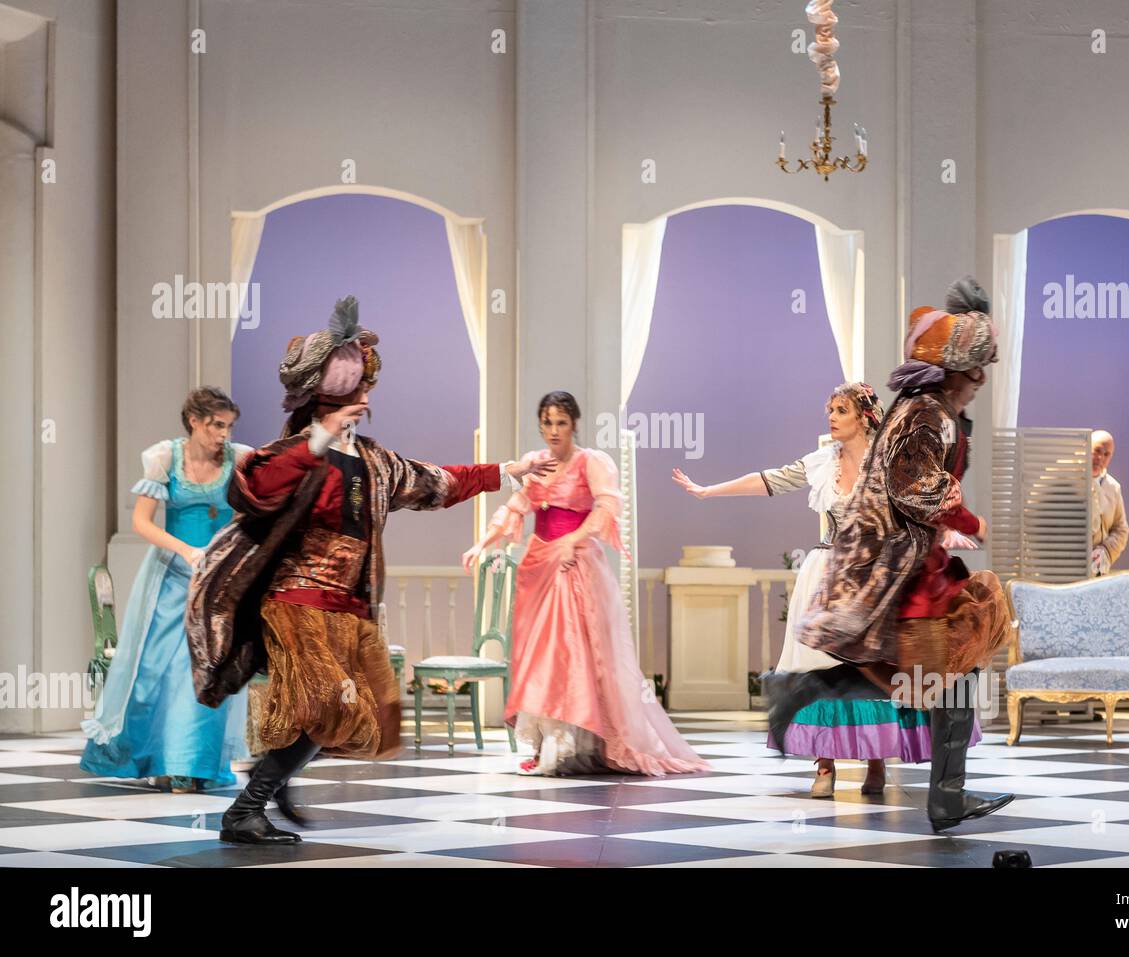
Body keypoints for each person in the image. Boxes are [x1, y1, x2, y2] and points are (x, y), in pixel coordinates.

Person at [186, 296, 555, 845]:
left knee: (366, 715)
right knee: (329, 700)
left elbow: (436, 481)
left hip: (350, 607)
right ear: (323, 396)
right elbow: (251, 486)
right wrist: (321, 434)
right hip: (296, 599)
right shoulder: (294, 452)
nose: (364, 399)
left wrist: (507, 470)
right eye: (352, 391)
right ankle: (248, 807)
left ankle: (273, 774)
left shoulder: (376, 462)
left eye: (364, 391)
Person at [797, 277, 1016, 833]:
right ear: (952, 372)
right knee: (941, 678)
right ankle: (943, 797)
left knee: (948, 680)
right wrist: (968, 519)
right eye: (974, 370)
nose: (981, 381)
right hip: (900, 571)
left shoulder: (931, 408)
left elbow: (936, 464)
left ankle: (946, 797)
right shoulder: (926, 411)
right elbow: (914, 484)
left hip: (913, 565)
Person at [674, 383, 937, 798]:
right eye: (829, 409)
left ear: (864, 417)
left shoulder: (887, 464)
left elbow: (919, 504)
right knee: (816, 669)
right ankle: (824, 766)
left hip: (869, 575)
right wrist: (709, 491)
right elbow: (770, 480)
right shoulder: (821, 462)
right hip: (827, 571)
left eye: (841, 410)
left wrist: (945, 533)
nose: (831, 416)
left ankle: (875, 761)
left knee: (870, 668)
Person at [462, 391, 708, 777]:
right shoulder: (537, 464)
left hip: (572, 565)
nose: (554, 430)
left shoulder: (591, 462)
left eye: (561, 422)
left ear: (573, 424)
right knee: (536, 655)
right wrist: (482, 543)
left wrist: (573, 539)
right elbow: (515, 507)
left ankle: (570, 743)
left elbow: (607, 506)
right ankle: (545, 741)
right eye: (547, 422)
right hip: (538, 564)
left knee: (569, 654)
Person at [81, 387, 251, 792]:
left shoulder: (240, 459)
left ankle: (189, 765)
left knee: (203, 671)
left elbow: (247, 517)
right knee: (154, 672)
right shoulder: (165, 458)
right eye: (216, 425)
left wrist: (224, 557)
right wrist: (187, 552)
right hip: (170, 577)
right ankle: (155, 757)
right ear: (194, 421)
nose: (223, 434)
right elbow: (143, 522)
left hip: (218, 582)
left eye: (228, 426)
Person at [1089, 429, 1129, 575]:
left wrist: (1105, 550)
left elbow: (1121, 529)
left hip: (1096, 572)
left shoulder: (1113, 488)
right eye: (1097, 450)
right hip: (1063, 567)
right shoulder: (1067, 479)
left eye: (1106, 454)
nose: (1100, 458)